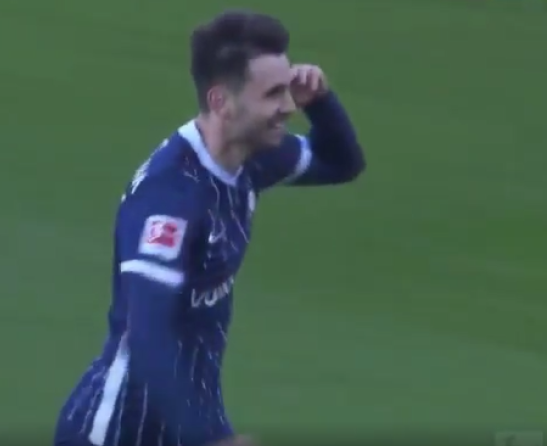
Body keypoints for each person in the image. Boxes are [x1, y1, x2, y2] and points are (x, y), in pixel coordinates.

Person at [53, 8, 365, 446]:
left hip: (192, 415)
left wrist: (321, 101)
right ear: (221, 102)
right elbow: (148, 335)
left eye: (288, 89)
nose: (288, 107)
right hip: (122, 429)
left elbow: (342, 163)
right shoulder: (171, 198)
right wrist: (208, 438)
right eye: (273, 93)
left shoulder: (253, 157)